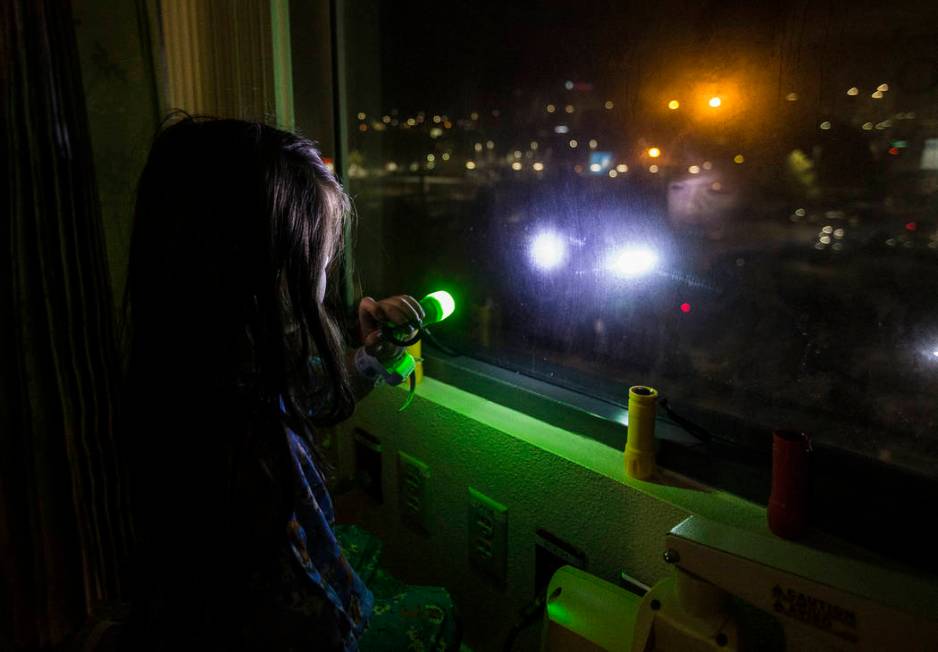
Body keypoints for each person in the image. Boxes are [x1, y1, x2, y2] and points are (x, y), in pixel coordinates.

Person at [121, 115, 453, 650]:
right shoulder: (242, 453)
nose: (324, 283)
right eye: (318, 265)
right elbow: (311, 618)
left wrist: (368, 358)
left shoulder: (210, 375)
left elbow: (311, 396)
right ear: (263, 275)